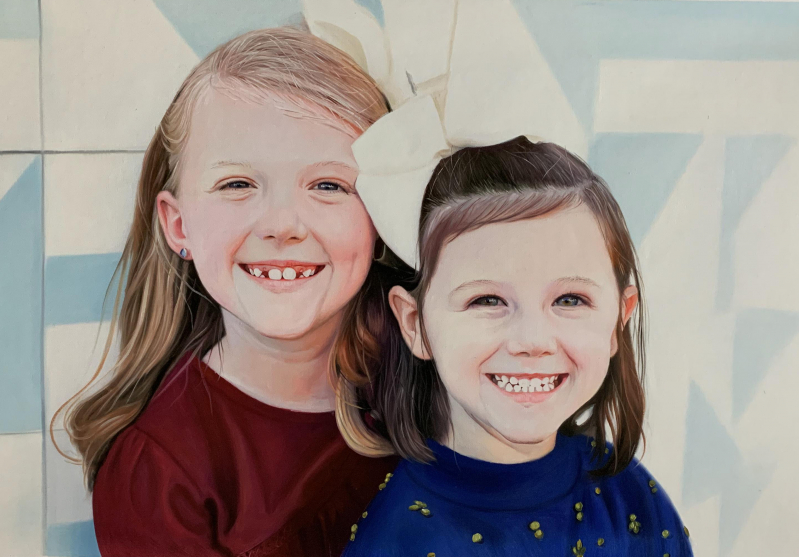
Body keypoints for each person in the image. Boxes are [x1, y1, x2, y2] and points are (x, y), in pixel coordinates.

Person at [52, 27, 398, 557]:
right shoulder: (158, 475)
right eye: (238, 184)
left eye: (329, 185)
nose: (282, 225)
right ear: (179, 225)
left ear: (382, 218)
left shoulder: (435, 382)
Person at [335, 135, 694, 557]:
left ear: (619, 318)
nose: (532, 341)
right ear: (416, 325)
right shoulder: (397, 538)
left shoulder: (630, 495)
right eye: (487, 301)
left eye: (569, 300)